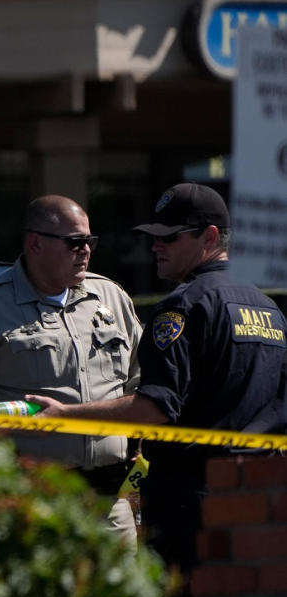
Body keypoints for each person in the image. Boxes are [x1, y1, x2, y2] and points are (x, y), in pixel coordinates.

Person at [29, 183, 287, 573]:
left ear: (210, 237)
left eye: (170, 237)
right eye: (154, 237)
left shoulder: (183, 306)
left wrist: (66, 415)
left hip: (196, 503)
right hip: (263, 499)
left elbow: (154, 409)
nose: (155, 246)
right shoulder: (268, 310)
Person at [0, 196, 142, 547]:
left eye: (89, 242)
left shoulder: (111, 298)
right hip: (34, 500)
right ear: (35, 243)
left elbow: (140, 388)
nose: (85, 251)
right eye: (74, 242)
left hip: (110, 498)